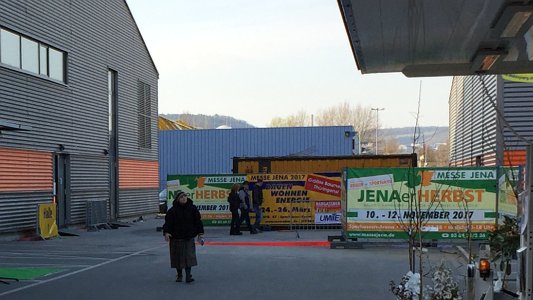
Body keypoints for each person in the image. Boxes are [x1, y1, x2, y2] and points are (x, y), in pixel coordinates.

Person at [163, 191, 204, 283]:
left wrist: (200, 233)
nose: (184, 198)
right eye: (181, 197)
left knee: (189, 256)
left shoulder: (192, 208)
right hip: (176, 238)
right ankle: (179, 275)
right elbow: (168, 223)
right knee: (177, 257)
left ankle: (188, 275)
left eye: (185, 196)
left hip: (188, 237)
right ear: (177, 199)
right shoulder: (172, 211)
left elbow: (198, 221)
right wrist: (166, 232)